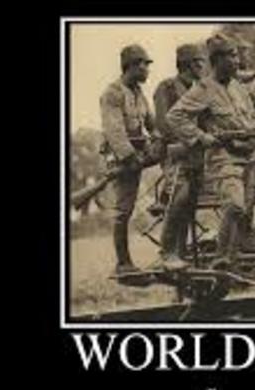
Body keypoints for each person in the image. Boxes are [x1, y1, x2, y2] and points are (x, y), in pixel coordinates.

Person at [166, 34, 255, 268]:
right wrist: (201, 137)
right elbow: (174, 117)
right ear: (217, 60)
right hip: (223, 159)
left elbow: (250, 120)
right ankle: (222, 259)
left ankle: (235, 260)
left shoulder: (238, 87)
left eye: (236, 55)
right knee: (235, 205)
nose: (237, 61)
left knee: (244, 212)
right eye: (232, 56)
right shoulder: (203, 89)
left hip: (248, 158)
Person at [99, 44, 157, 279]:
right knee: (123, 210)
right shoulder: (112, 93)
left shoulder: (138, 93)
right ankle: (123, 263)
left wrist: (161, 139)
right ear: (130, 66)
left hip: (136, 156)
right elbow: (114, 132)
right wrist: (131, 157)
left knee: (128, 207)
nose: (147, 70)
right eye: (144, 65)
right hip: (121, 158)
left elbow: (151, 124)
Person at [152, 44, 205, 270]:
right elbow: (163, 123)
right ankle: (167, 251)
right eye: (199, 62)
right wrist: (188, 140)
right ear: (189, 64)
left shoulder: (199, 88)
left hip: (195, 153)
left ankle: (180, 253)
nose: (203, 66)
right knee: (179, 196)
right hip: (174, 153)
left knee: (190, 203)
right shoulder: (166, 88)